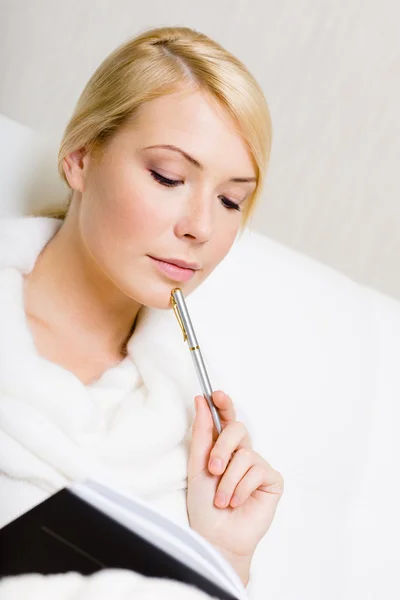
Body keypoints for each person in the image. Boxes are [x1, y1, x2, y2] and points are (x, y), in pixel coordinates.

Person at [0, 25, 284, 598]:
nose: (201, 226)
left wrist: (223, 556)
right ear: (80, 158)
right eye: (169, 177)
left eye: (231, 200)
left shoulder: (200, 438)